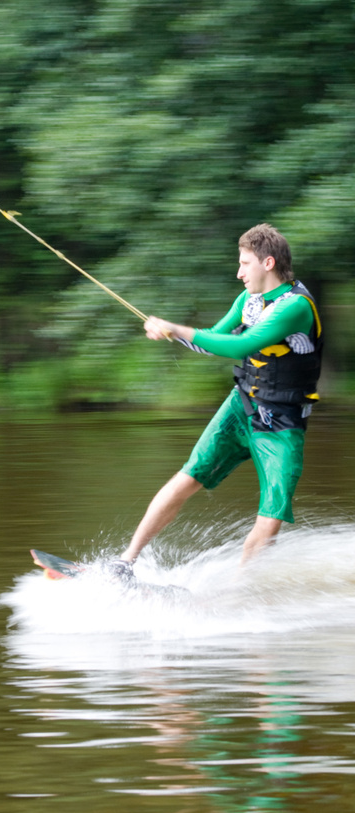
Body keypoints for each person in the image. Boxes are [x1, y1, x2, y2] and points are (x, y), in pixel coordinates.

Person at [115, 223, 323, 575]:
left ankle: (241, 592)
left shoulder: (296, 307)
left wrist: (179, 329)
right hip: (242, 406)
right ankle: (124, 563)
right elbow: (214, 339)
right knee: (189, 475)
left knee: (271, 516)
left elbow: (241, 346)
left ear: (268, 263)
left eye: (245, 263)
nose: (238, 272)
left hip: (282, 422)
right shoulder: (248, 301)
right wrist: (173, 333)